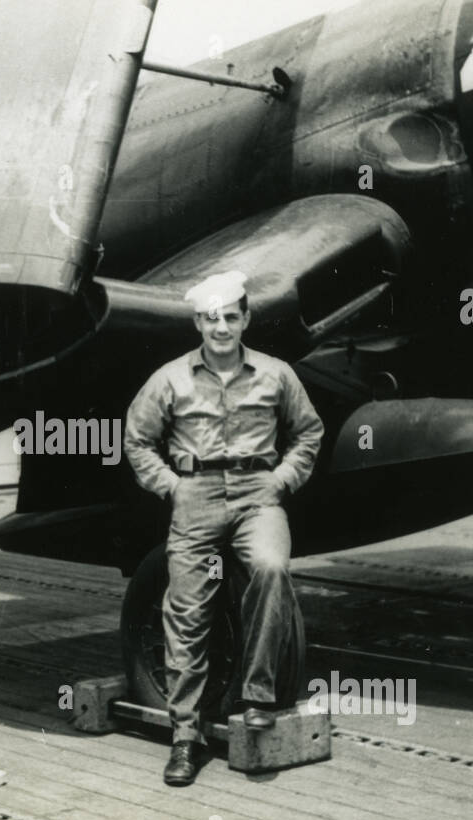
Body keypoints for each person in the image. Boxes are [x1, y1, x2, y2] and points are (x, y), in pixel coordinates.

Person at [124, 270, 324, 786]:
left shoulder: (276, 374)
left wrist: (282, 480)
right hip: (195, 498)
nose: (221, 327)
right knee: (187, 610)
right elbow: (138, 440)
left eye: (230, 317)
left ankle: (257, 697)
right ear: (198, 322)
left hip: (259, 495)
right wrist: (170, 486)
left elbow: (308, 432)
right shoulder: (169, 379)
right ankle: (184, 737)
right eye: (211, 318)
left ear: (245, 319)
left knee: (271, 568)